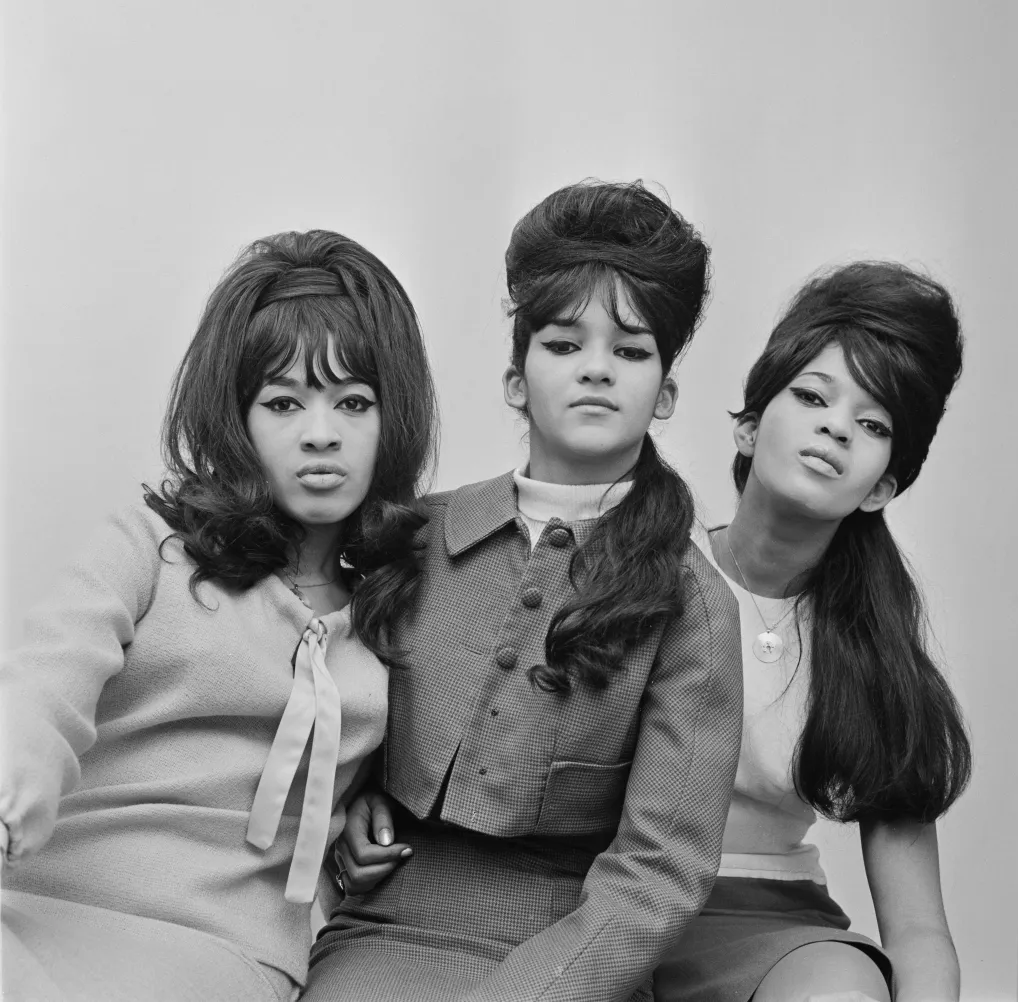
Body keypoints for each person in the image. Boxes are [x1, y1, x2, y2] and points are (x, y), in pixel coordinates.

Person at [302, 180, 745, 1002]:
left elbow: (660, 873)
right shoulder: (415, 538)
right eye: (565, 344)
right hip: (388, 924)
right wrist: (350, 810)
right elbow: (341, 706)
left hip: (574, 955)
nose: (598, 372)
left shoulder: (695, 609)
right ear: (516, 378)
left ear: (666, 394)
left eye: (632, 351)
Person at [0, 229, 438, 1001]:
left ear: (390, 420)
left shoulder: (404, 604)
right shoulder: (151, 547)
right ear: (236, 419)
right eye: (282, 402)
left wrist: (363, 812)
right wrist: (12, 781)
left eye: (354, 402)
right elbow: (47, 681)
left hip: (221, 955)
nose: (320, 433)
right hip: (36, 907)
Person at [652, 262, 972, 1002]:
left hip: (774, 930)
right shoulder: (650, 574)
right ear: (749, 424)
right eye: (812, 396)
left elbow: (920, 932)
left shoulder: (875, 651)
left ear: (883, 486)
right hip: (610, 899)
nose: (836, 426)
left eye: (872, 424)